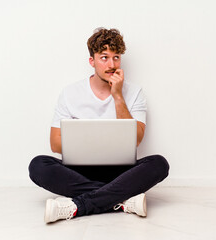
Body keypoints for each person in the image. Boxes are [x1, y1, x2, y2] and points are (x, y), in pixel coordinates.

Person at [28, 27, 169, 223]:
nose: (111, 64)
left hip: (120, 173)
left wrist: (118, 96)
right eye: (104, 57)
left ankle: (77, 206)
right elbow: (55, 143)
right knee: (38, 165)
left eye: (116, 57)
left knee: (159, 164)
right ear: (91, 61)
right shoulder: (70, 93)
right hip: (79, 171)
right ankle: (122, 200)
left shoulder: (135, 92)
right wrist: (88, 144)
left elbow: (136, 139)